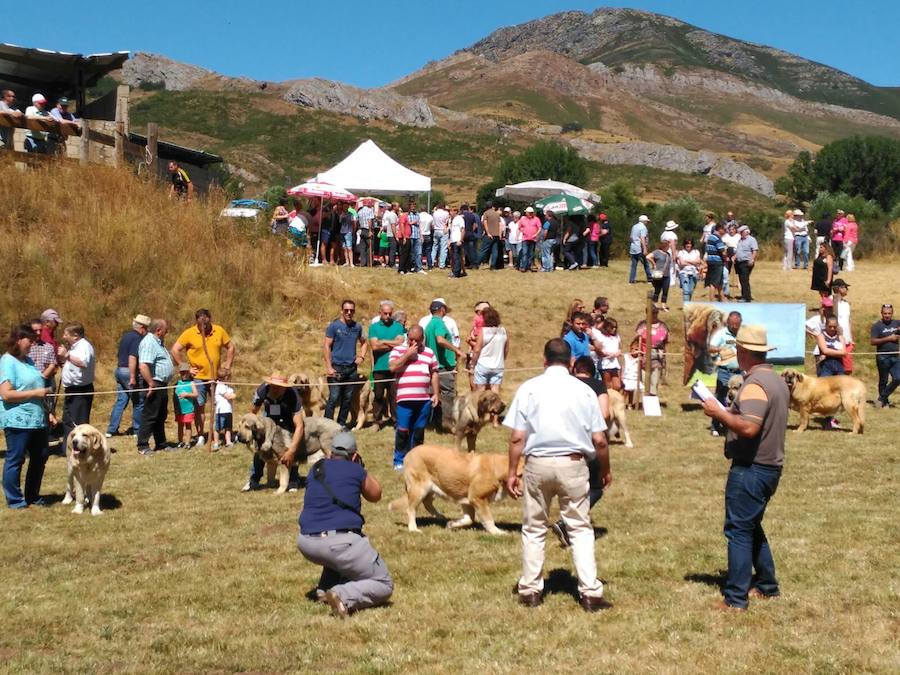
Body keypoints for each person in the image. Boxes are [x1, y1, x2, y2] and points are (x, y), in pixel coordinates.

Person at [504, 338, 612, 612]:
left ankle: (530, 590)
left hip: (537, 463)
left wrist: (511, 472)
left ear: (544, 360)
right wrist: (606, 469)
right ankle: (590, 593)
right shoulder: (585, 390)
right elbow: (600, 440)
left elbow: (517, 437)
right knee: (580, 528)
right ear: (571, 362)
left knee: (533, 527)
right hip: (574, 464)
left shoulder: (529, 388)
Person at [702, 324, 789, 611]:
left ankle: (735, 598)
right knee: (751, 526)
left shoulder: (754, 384)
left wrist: (719, 414)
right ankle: (766, 585)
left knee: (738, 530)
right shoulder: (775, 380)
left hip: (752, 468)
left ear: (741, 352)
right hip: (769, 467)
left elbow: (750, 427)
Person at [296, 430, 392, 618]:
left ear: (330, 453)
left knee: (336, 551)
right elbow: (376, 494)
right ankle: (343, 595)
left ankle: (324, 590)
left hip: (306, 542)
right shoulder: (356, 470)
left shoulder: (316, 469)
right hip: (339, 543)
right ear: (354, 455)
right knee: (384, 583)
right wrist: (362, 469)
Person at [549, 356, 609, 549]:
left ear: (575, 370)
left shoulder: (566, 384)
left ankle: (568, 523)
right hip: (588, 441)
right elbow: (605, 413)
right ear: (593, 371)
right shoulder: (598, 385)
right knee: (596, 487)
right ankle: (566, 523)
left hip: (562, 440)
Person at [1, 324, 51, 508]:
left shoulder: (29, 361)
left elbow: (37, 389)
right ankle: (15, 500)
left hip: (37, 420)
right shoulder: (7, 362)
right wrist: (36, 394)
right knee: (16, 458)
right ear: (18, 340)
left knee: (41, 456)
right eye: (29, 340)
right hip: (17, 420)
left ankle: (33, 495)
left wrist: (48, 412)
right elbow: (6, 394)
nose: (32, 344)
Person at [172, 309, 234, 447]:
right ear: (197, 321)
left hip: (215, 377)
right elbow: (175, 349)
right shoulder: (190, 333)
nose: (203, 326)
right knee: (200, 407)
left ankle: (220, 434)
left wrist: (227, 366)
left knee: (220, 405)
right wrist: (185, 367)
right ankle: (201, 435)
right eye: (201, 323)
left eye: (206, 322)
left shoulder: (219, 331)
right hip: (198, 378)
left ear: (210, 319)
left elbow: (230, 347)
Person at [242, 371, 304, 491]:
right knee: (260, 448)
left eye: (278, 387)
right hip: (269, 417)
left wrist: (292, 449)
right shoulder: (262, 390)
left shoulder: (293, 395)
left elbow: (299, 425)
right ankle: (254, 479)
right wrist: (250, 433)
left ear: (284, 387)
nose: (274, 389)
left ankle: (293, 480)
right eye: (272, 386)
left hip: (288, 419)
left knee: (290, 445)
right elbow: (251, 414)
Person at [388, 325, 439, 470]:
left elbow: (434, 372)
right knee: (403, 430)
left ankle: (417, 459)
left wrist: (436, 393)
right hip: (405, 398)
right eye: (411, 340)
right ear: (407, 337)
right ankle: (399, 459)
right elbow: (392, 368)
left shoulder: (429, 352)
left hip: (423, 399)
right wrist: (407, 355)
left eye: (417, 340)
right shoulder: (398, 350)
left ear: (423, 339)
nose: (414, 343)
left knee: (418, 430)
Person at [422, 299, 465, 432]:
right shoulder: (439, 323)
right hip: (443, 366)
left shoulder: (429, 324)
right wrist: (456, 350)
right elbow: (440, 339)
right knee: (447, 396)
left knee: (433, 395)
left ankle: (432, 423)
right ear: (442, 310)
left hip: (433, 365)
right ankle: (446, 425)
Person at [323, 300, 367, 427]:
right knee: (333, 398)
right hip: (336, 367)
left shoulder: (357, 327)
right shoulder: (334, 326)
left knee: (347, 399)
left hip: (352, 368)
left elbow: (364, 342)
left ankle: (341, 425)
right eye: (346, 310)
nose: (349, 312)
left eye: (352, 310)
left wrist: (362, 356)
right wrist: (329, 367)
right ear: (342, 310)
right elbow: (326, 346)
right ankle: (327, 425)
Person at [106, 314, 151, 439]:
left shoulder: (126, 336)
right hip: (128, 371)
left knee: (121, 401)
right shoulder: (137, 338)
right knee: (139, 402)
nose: (146, 332)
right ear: (142, 327)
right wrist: (132, 376)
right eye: (146, 328)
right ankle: (137, 430)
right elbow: (132, 357)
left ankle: (111, 429)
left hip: (119, 370)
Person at [137, 319, 174, 456]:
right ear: (158, 330)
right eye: (166, 329)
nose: (167, 332)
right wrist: (151, 383)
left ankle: (161, 443)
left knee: (160, 415)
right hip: (154, 384)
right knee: (150, 415)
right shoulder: (149, 342)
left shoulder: (158, 343)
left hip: (162, 384)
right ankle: (143, 445)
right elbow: (143, 365)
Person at [368, 301, 406, 430]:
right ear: (380, 313)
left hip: (395, 366)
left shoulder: (398, 326)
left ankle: (396, 420)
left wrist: (383, 341)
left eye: (390, 313)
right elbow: (374, 346)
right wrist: (392, 344)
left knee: (394, 396)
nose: (388, 316)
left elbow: (400, 343)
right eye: (385, 313)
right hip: (379, 367)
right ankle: (376, 421)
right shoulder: (374, 327)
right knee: (378, 395)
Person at [58, 322, 95, 452]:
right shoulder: (74, 346)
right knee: (68, 420)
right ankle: (68, 449)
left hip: (81, 390)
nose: (63, 337)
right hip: (71, 389)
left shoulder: (84, 346)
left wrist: (67, 355)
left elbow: (84, 362)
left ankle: (81, 448)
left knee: (78, 423)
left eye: (66, 334)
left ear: (75, 336)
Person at [709, 312, 743, 437]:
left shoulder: (743, 334)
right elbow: (710, 347)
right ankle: (715, 427)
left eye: (737, 325)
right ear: (728, 322)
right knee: (720, 398)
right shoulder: (721, 334)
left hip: (739, 372)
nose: (734, 327)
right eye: (732, 324)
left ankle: (734, 426)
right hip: (724, 372)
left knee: (739, 401)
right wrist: (720, 349)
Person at [471, 307, 509, 394]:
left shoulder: (483, 331)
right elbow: (506, 349)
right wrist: (502, 360)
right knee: (495, 391)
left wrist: (473, 364)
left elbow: (477, 350)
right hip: (498, 366)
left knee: (480, 392)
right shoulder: (503, 331)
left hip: (483, 365)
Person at [870, 303, 900, 407]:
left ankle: (881, 398)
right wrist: (889, 338)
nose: (887, 315)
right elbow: (873, 341)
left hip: (895, 356)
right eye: (885, 313)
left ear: (892, 313)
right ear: (881, 313)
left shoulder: (897, 323)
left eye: (889, 313)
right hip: (882, 357)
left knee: (898, 378)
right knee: (883, 380)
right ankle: (884, 402)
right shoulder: (876, 326)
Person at [635, 308, 669, 397]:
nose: (654, 315)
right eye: (651, 313)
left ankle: (653, 400)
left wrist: (664, 358)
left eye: (655, 313)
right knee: (644, 380)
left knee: (654, 380)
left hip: (657, 356)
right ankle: (644, 401)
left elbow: (666, 342)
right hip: (644, 355)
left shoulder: (662, 326)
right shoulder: (642, 325)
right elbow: (636, 340)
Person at [174, 363, 199, 448]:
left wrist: (187, 394)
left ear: (189, 373)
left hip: (188, 409)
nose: (184, 375)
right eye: (182, 373)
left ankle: (187, 443)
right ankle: (180, 441)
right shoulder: (177, 383)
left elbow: (196, 394)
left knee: (188, 425)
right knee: (180, 426)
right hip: (179, 409)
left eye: (186, 372)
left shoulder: (191, 383)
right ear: (179, 373)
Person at [832, 279, 854, 374]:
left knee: (848, 369)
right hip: (836, 341)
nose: (847, 289)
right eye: (845, 287)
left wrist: (851, 338)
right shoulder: (831, 302)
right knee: (836, 368)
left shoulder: (846, 304)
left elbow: (848, 321)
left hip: (847, 340)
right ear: (838, 288)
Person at [733, 226, 759, 303]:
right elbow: (738, 250)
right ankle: (745, 295)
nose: (741, 234)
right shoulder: (740, 240)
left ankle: (746, 297)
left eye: (742, 232)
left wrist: (752, 259)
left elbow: (754, 250)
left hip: (746, 262)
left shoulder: (751, 240)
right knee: (741, 279)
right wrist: (734, 256)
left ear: (746, 232)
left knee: (744, 279)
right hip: (739, 262)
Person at [596, 318, 622, 391]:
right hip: (605, 364)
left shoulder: (616, 337)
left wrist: (618, 352)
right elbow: (598, 349)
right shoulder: (601, 336)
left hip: (614, 363)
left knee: (617, 386)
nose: (614, 329)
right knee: (608, 385)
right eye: (612, 327)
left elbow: (619, 347)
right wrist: (607, 353)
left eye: (615, 327)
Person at [704, 222, 727, 301]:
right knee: (714, 283)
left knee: (719, 283)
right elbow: (722, 251)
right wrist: (726, 258)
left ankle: (723, 299)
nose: (725, 231)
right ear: (720, 229)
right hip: (717, 262)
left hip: (710, 261)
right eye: (724, 230)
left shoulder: (710, 237)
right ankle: (712, 301)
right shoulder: (717, 238)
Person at [479, 202, 505, 270]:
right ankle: (493, 265)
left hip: (489, 235)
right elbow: (500, 224)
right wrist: (499, 234)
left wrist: (488, 233)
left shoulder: (486, 213)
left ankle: (476, 263)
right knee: (495, 251)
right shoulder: (497, 214)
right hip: (496, 235)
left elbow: (485, 223)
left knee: (483, 250)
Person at [213, 375, 235, 449]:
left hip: (228, 410)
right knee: (218, 428)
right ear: (225, 378)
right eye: (228, 377)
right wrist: (233, 395)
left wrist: (232, 394)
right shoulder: (220, 386)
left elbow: (231, 393)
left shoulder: (227, 386)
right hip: (221, 411)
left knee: (228, 427)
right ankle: (216, 443)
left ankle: (228, 442)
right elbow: (228, 396)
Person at [647, 240, 672, 310]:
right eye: (668, 246)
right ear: (664, 246)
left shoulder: (668, 254)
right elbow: (648, 257)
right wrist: (654, 264)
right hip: (658, 274)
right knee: (657, 290)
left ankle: (663, 305)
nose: (669, 248)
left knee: (665, 290)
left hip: (667, 275)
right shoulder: (657, 252)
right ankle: (654, 304)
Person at [676, 238, 702, 303]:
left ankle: (688, 303)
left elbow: (698, 261)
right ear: (684, 245)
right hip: (684, 273)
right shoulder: (681, 252)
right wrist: (693, 262)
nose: (688, 245)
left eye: (690, 244)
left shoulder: (696, 252)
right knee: (686, 291)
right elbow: (682, 263)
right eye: (687, 244)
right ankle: (686, 306)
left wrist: (687, 261)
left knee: (690, 291)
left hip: (694, 273)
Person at [628, 215, 651, 283]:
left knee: (633, 265)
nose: (647, 222)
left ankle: (631, 280)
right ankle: (650, 279)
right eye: (646, 221)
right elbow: (642, 238)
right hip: (639, 248)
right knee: (646, 264)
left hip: (633, 248)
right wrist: (644, 249)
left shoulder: (634, 226)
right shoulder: (643, 228)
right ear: (644, 221)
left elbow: (631, 237)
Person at [517, 206, 541, 272]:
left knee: (531, 254)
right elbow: (519, 227)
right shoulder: (523, 219)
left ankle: (529, 266)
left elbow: (539, 228)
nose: (530, 214)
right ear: (526, 213)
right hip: (525, 239)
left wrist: (536, 234)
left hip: (533, 239)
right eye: (529, 213)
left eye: (531, 213)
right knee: (524, 253)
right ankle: (524, 267)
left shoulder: (536, 219)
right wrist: (523, 231)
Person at [810, 243, 835, 307]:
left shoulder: (828, 256)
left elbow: (830, 268)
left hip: (825, 277)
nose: (820, 249)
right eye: (819, 247)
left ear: (826, 248)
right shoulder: (820, 256)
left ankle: (828, 307)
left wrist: (828, 280)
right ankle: (826, 306)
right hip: (818, 277)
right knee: (821, 293)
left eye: (821, 247)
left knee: (825, 294)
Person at [621, 339, 641, 409]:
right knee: (625, 391)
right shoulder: (626, 356)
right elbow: (623, 366)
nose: (633, 350)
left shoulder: (639, 358)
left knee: (631, 391)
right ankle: (622, 403)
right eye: (632, 348)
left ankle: (630, 404)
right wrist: (621, 376)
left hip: (634, 377)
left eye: (636, 349)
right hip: (626, 377)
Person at [660, 220, 679, 290]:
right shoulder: (672, 235)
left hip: (663, 251)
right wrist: (674, 254)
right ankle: (671, 281)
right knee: (672, 266)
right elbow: (673, 244)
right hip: (669, 251)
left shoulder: (663, 234)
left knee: (664, 266)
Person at [449, 205, 467, 278]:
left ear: (455, 211)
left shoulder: (459, 219)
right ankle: (454, 271)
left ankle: (456, 273)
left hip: (457, 240)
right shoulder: (452, 220)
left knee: (457, 257)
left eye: (451, 211)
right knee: (453, 257)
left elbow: (463, 230)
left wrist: (460, 240)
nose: (450, 212)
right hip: (453, 240)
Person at [431, 203, 450, 269]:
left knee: (434, 247)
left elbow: (433, 223)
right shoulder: (446, 213)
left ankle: (432, 262)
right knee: (443, 248)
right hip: (443, 230)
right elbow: (447, 222)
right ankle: (442, 264)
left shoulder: (435, 213)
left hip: (436, 230)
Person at [356, 198, 375, 267]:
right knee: (370, 247)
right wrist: (370, 231)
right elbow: (369, 221)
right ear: (368, 203)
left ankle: (362, 263)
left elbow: (357, 221)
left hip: (362, 230)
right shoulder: (370, 210)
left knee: (363, 247)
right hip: (367, 229)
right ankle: (369, 263)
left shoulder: (359, 211)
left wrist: (359, 228)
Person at [381, 202, 399, 268]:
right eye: (397, 206)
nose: (398, 208)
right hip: (392, 235)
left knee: (391, 249)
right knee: (392, 250)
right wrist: (395, 236)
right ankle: (392, 263)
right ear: (394, 207)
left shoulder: (393, 214)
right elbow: (393, 226)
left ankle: (390, 262)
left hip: (390, 234)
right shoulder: (392, 215)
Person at [418, 205, 433, 272]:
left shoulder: (418, 216)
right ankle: (430, 265)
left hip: (420, 234)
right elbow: (431, 226)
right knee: (428, 251)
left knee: (420, 251)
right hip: (427, 234)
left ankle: (420, 265)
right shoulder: (430, 216)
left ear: (420, 209)